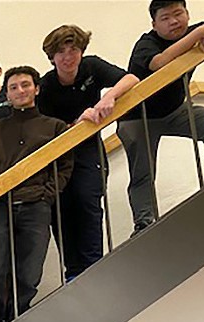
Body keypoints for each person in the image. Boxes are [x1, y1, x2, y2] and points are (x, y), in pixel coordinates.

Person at [0, 66, 74, 322]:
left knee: (29, 272)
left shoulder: (54, 127)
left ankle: (15, 321)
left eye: (25, 85)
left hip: (36, 207)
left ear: (36, 89)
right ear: (6, 93)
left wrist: (48, 194)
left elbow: (64, 166)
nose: (20, 91)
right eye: (14, 87)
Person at [38, 25, 139, 280]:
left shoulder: (92, 67)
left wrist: (108, 98)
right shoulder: (46, 86)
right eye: (61, 52)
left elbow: (131, 79)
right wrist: (75, 124)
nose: (68, 57)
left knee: (88, 203)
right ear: (52, 57)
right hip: (58, 159)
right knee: (61, 212)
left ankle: (94, 268)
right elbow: (42, 132)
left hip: (88, 153)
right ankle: (73, 273)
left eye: (74, 50)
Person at [117, 1, 204, 232]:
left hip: (175, 111)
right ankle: (144, 223)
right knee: (143, 173)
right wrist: (199, 33)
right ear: (154, 24)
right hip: (137, 118)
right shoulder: (146, 44)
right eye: (166, 18)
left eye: (179, 14)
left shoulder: (192, 33)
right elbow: (160, 63)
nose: (174, 21)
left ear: (187, 14)